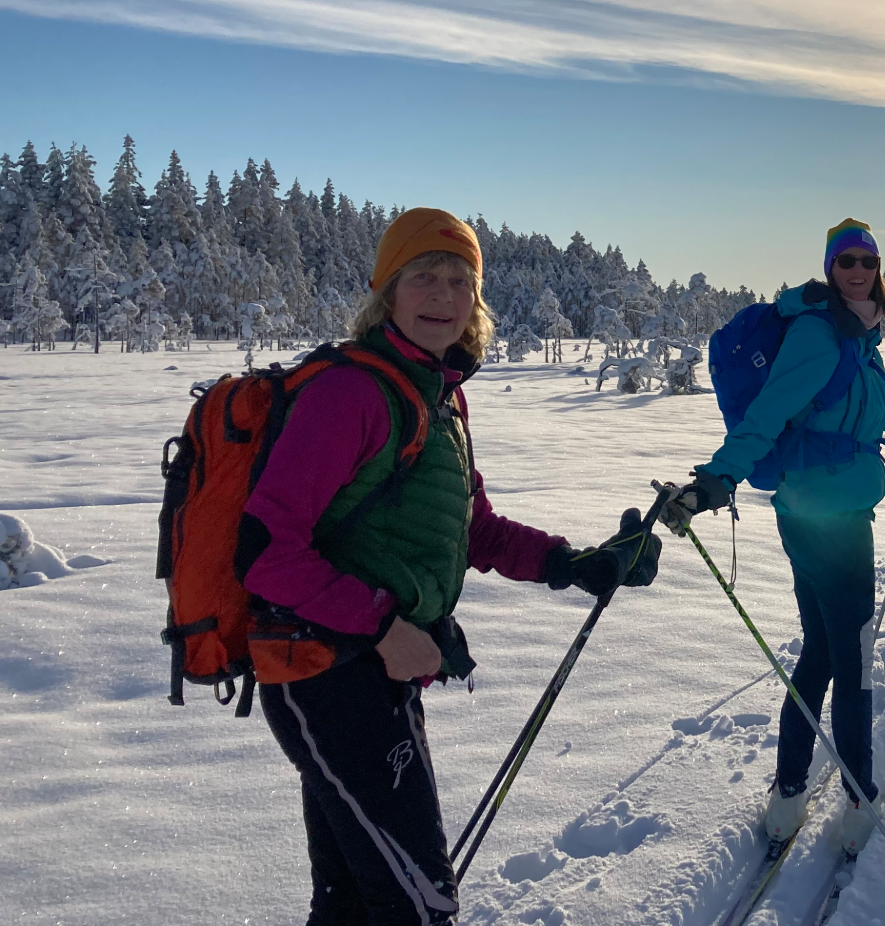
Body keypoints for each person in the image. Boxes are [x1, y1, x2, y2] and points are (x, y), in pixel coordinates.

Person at [239, 207, 661, 925]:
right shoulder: (351, 394)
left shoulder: (437, 392)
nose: (443, 295)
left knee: (354, 903)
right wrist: (381, 629)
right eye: (423, 278)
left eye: (459, 280)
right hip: (327, 674)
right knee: (418, 905)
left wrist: (572, 562)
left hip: (376, 669)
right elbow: (265, 552)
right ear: (387, 294)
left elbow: (475, 529)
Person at [664, 218, 885, 856]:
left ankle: (788, 795)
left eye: (866, 261)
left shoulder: (858, 337)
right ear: (829, 267)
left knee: (820, 650)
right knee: (852, 660)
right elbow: (766, 418)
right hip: (831, 521)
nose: (856, 270)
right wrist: (715, 481)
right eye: (844, 260)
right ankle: (857, 799)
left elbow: (880, 405)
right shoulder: (820, 334)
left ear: (878, 270)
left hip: (815, 512)